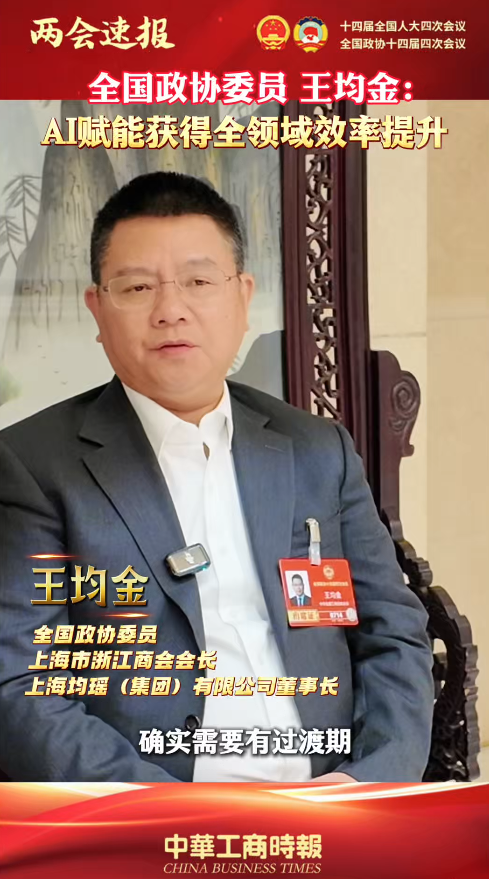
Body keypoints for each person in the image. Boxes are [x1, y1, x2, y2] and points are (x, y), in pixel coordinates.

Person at [0, 172, 434, 783]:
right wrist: (171, 814)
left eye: (199, 282)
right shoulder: (33, 465)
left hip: (333, 802)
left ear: (241, 297)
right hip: (151, 817)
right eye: (137, 287)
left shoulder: (318, 449)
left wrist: (370, 781)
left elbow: (394, 634)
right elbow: (22, 682)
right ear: (97, 309)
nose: (170, 311)